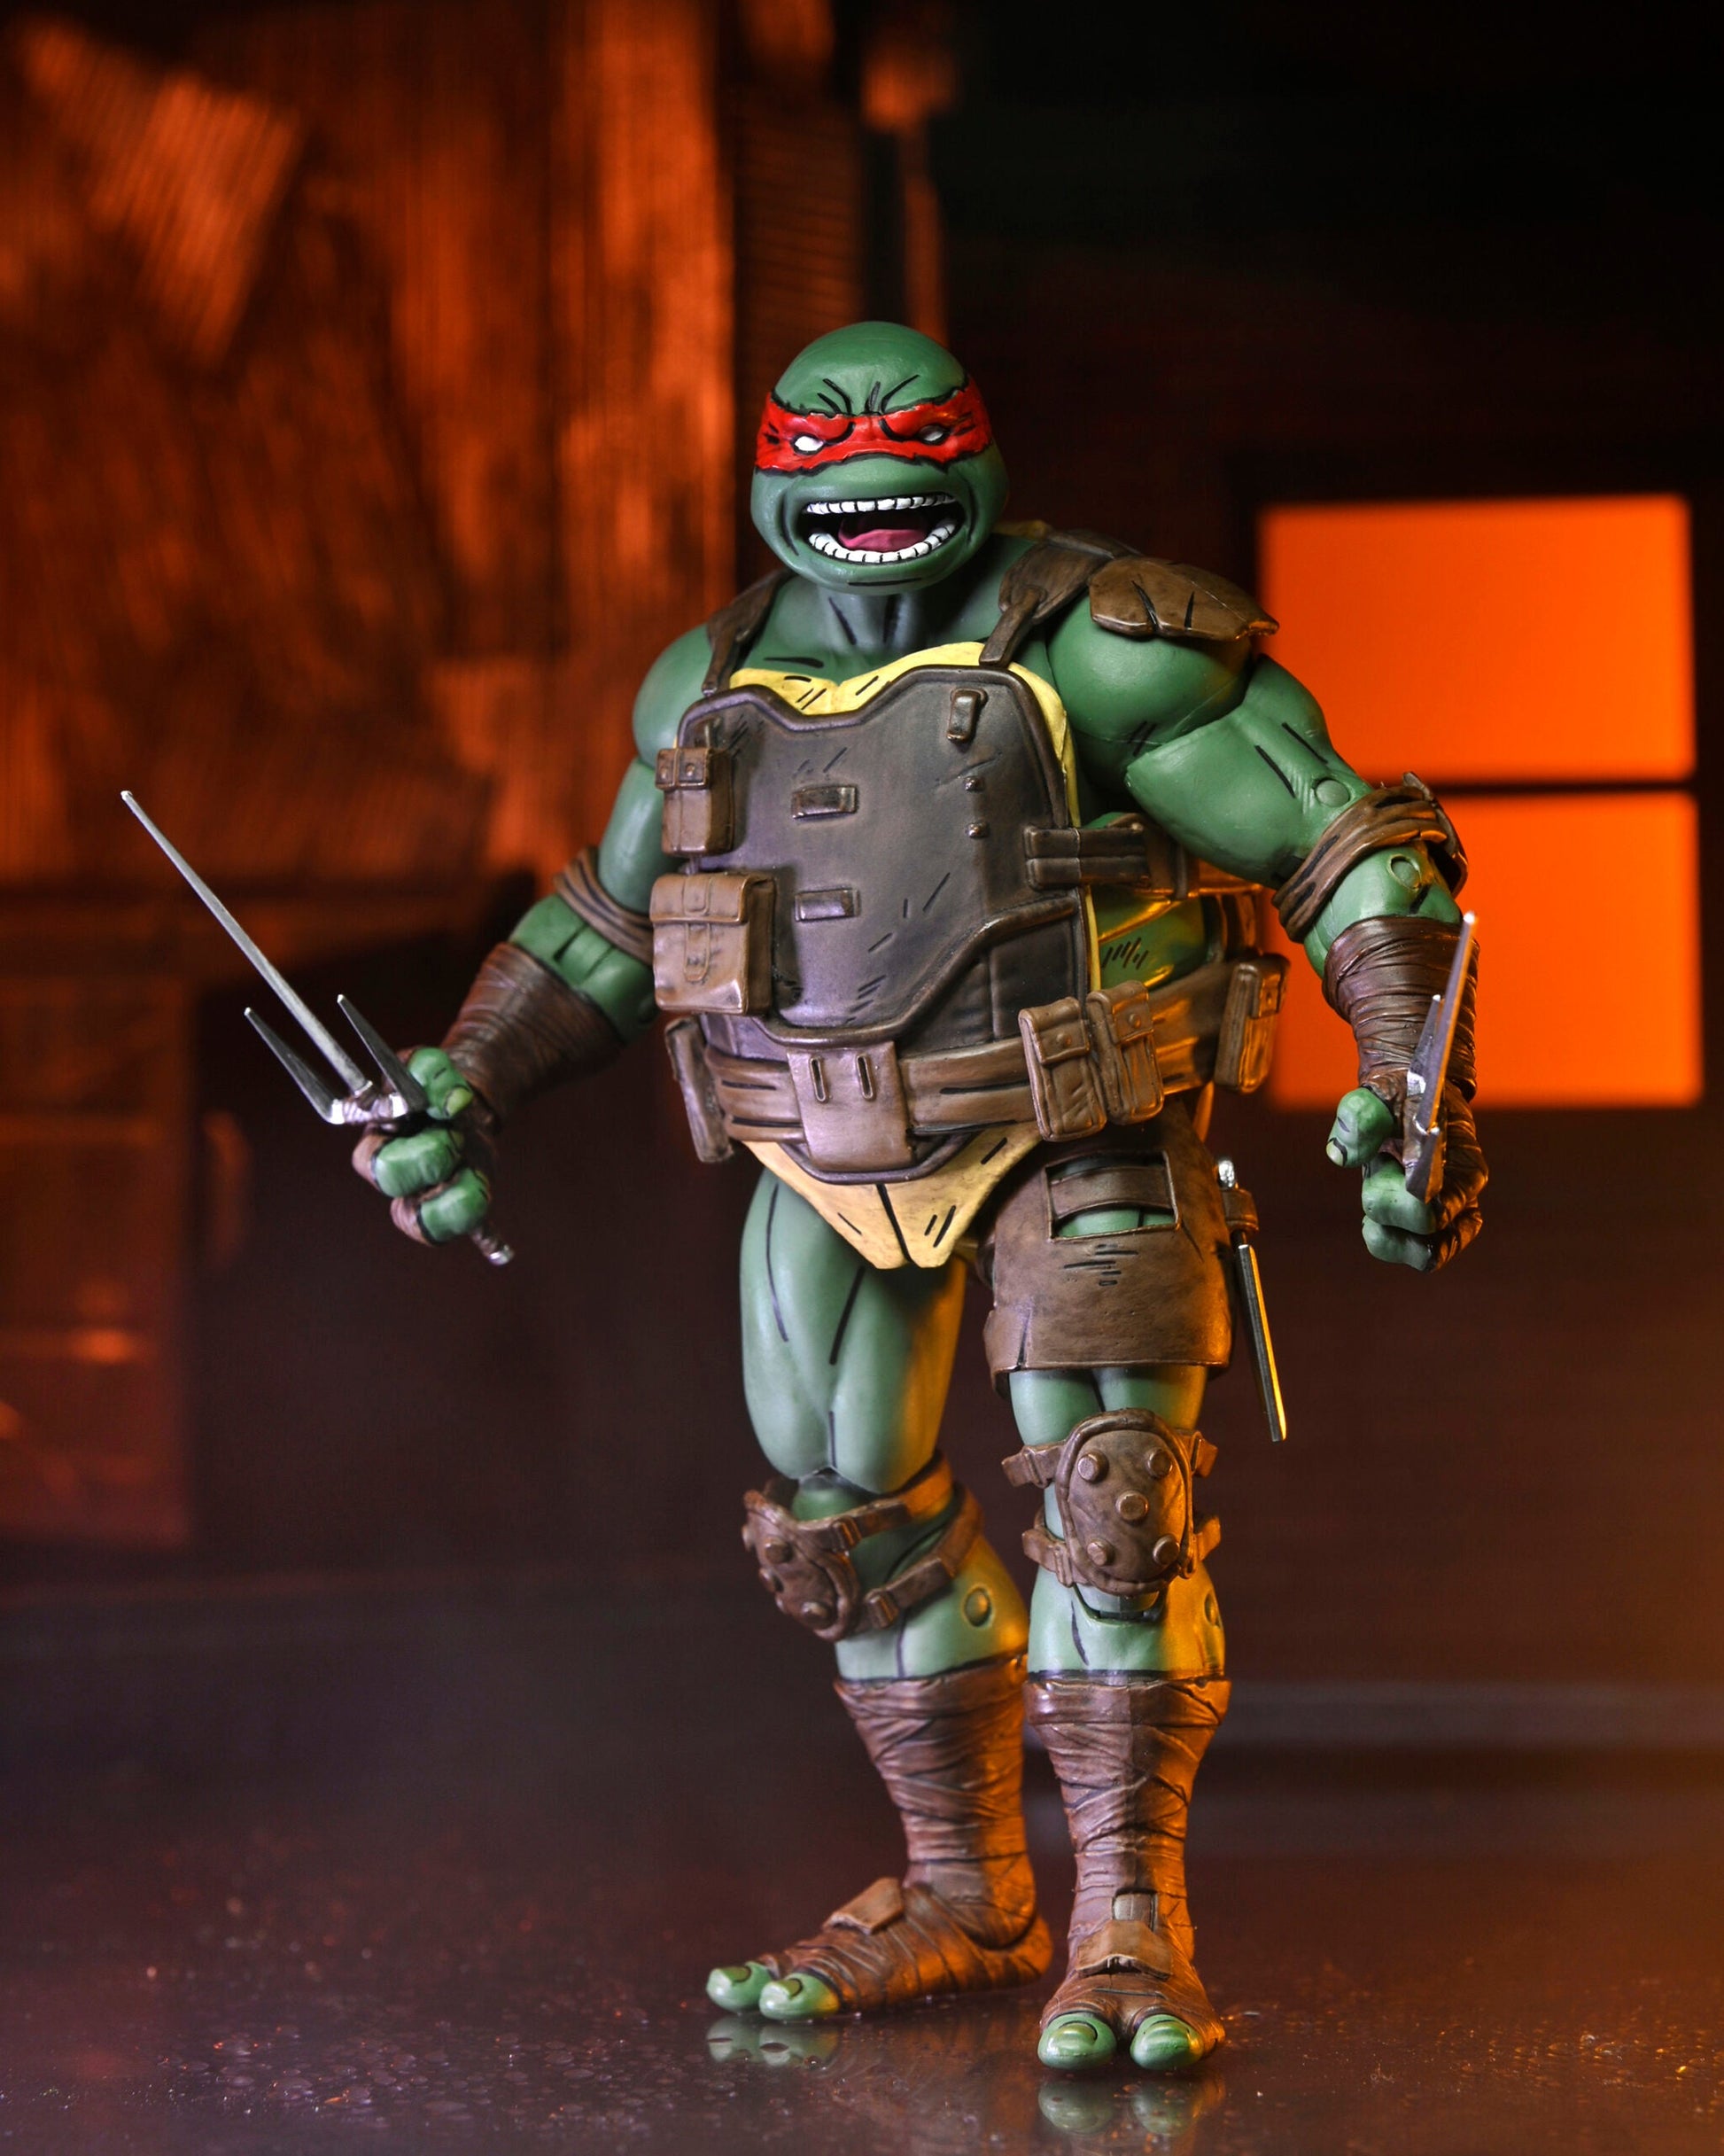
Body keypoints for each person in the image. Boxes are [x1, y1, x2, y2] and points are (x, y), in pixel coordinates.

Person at [355, 321, 1484, 2073]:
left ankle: (1130, 1925)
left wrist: (1412, 1070)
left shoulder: (1107, 643)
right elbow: (611, 921)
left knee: (1117, 1503)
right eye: (822, 443)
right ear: (765, 474)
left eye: (909, 437)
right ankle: (968, 1893)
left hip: (1081, 1122)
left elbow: (1339, 841)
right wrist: (467, 1077)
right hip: (817, 1152)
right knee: (842, 1520)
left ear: (977, 448)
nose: (868, 474)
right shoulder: (706, 678)